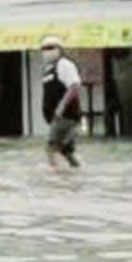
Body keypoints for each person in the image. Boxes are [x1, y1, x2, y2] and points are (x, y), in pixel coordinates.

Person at [38, 35, 83, 171]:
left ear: (59, 49)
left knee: (51, 147)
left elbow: (75, 86)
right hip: (59, 118)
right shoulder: (49, 69)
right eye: (44, 48)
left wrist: (61, 106)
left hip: (65, 116)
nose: (47, 51)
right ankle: (76, 171)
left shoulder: (64, 64)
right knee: (65, 150)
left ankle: (55, 181)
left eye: (51, 47)